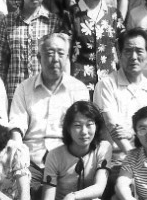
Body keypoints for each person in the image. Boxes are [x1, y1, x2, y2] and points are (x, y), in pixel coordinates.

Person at [8, 32, 90, 169]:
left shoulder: (78, 89)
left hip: (67, 160)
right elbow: (16, 126)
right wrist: (19, 158)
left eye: (61, 53)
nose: (55, 59)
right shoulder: (23, 88)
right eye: (50, 53)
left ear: (67, 58)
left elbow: (82, 129)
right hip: (31, 160)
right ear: (39, 57)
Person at [93, 28, 147, 160]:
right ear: (119, 54)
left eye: (139, 51)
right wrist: (135, 160)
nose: (134, 57)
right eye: (128, 51)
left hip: (144, 158)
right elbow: (111, 125)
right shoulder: (105, 85)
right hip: (112, 160)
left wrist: (131, 135)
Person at [63, 0, 120, 86]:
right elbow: (65, 53)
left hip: (109, 85)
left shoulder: (114, 15)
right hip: (79, 84)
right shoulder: (72, 15)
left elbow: (121, 51)